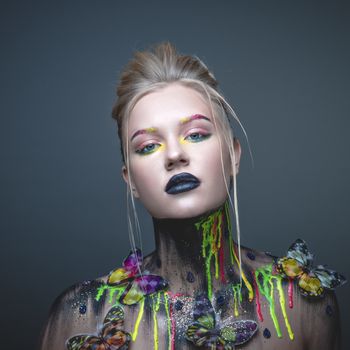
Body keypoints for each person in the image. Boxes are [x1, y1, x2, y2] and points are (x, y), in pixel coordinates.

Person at [39, 42, 346, 350]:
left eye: (196, 135)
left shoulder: (303, 305)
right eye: (148, 146)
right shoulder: (83, 313)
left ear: (234, 156)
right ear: (130, 181)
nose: (174, 154)